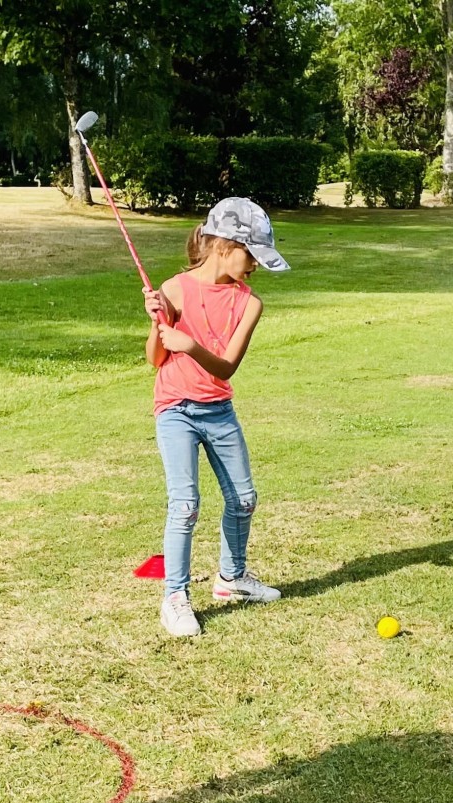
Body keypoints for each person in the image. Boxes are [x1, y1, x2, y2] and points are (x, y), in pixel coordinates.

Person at [143, 197, 289, 637]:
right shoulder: (174, 289)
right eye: (251, 255)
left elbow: (225, 368)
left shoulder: (249, 303)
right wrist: (158, 322)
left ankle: (232, 577)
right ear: (224, 247)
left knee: (244, 499)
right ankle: (175, 597)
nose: (255, 266)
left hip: (218, 409)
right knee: (185, 505)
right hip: (176, 409)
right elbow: (155, 358)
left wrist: (189, 345)